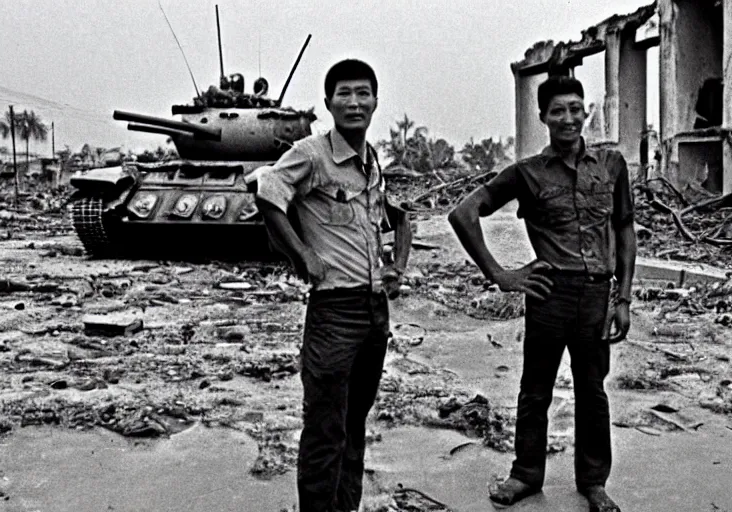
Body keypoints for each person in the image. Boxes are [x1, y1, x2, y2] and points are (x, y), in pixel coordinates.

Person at [448, 75, 635, 512]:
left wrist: (622, 299)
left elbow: (624, 228)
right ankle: (525, 475)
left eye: (575, 108)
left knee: (593, 391)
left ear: (585, 110)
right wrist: (501, 274)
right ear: (543, 117)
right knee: (536, 391)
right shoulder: (527, 173)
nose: (568, 118)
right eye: (558, 111)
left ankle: (594, 483)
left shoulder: (611, 165)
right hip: (550, 294)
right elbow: (463, 213)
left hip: (595, 295)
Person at [250, 59, 412, 512]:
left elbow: (397, 217)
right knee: (325, 428)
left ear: (376, 101)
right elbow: (267, 192)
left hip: (374, 310)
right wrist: (302, 256)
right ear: (328, 103)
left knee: (354, 424)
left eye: (363, 93)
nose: (355, 102)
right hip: (334, 313)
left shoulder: (371, 161)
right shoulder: (312, 153)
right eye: (344, 93)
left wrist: (395, 265)